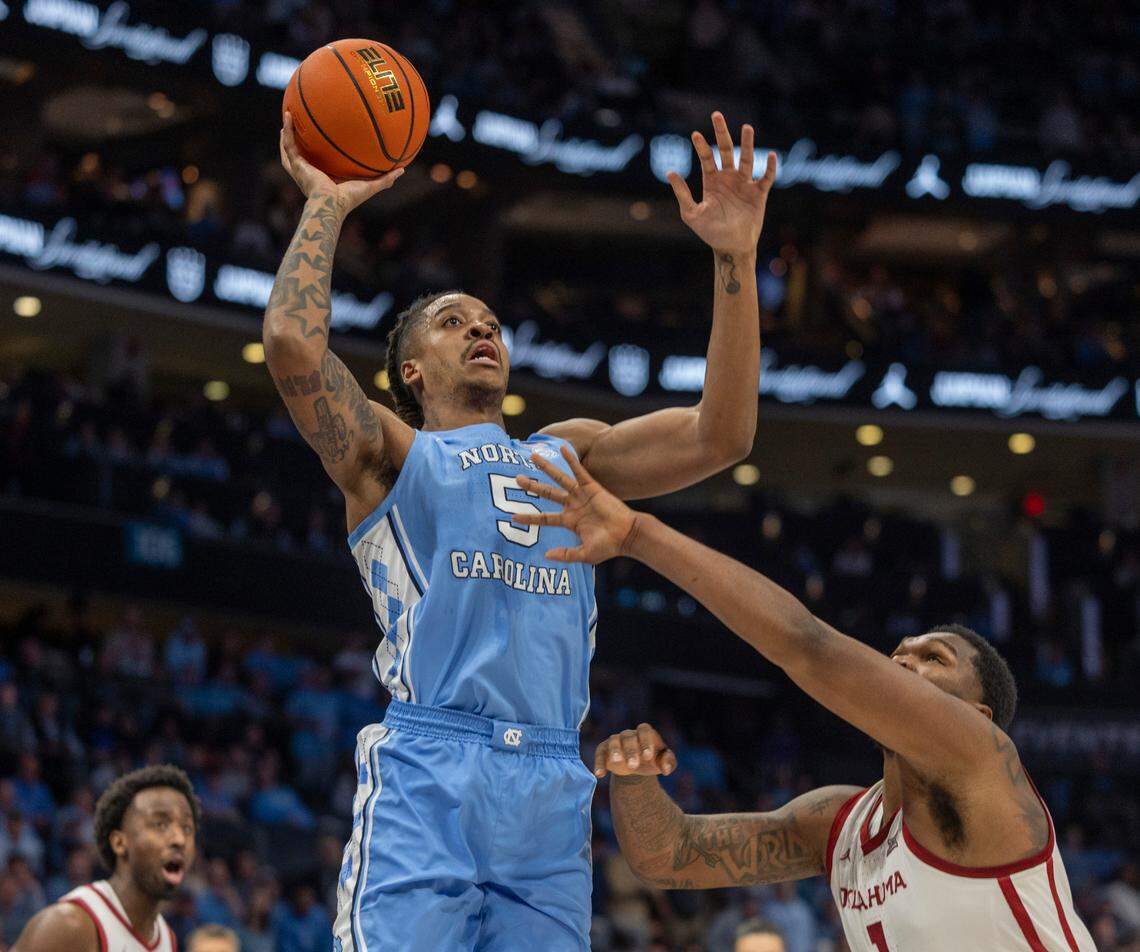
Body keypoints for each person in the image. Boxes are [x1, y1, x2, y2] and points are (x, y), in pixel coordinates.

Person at [264, 107, 777, 951]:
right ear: (411, 371)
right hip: (434, 764)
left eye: (492, 323)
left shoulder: (566, 455)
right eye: (456, 321)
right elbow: (289, 342)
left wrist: (735, 258)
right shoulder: (392, 456)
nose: (483, 330)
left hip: (549, 775)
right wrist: (328, 199)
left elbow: (722, 436)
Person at [513, 448, 1097, 951]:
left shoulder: (983, 765)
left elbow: (808, 647)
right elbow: (673, 855)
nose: (902, 663)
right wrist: (634, 780)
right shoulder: (840, 824)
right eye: (900, 652)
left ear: (978, 717)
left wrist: (639, 535)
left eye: (933, 659)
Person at [12, 765, 197, 952]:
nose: (179, 839)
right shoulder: (71, 925)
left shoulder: (167, 939)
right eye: (160, 824)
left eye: (187, 828)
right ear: (119, 842)